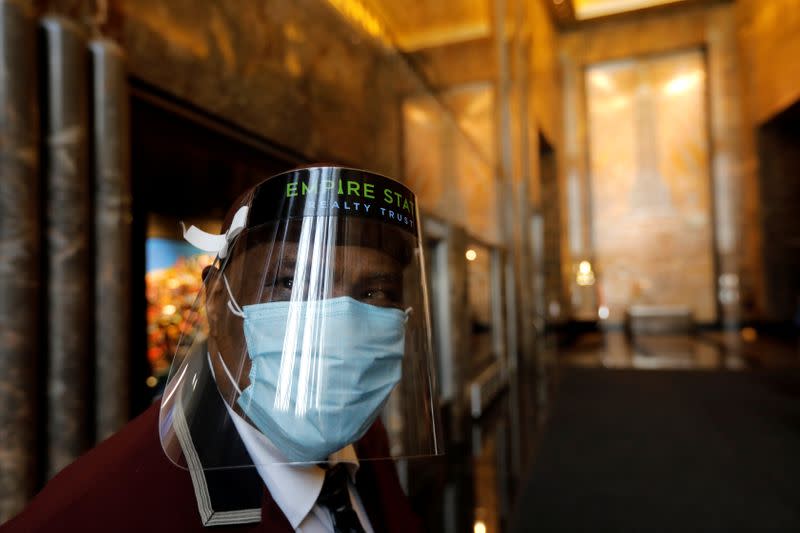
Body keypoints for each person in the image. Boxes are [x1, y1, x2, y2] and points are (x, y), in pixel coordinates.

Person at [2, 166, 442, 532]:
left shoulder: (362, 441)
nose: (340, 329)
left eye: (377, 291)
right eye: (289, 284)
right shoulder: (96, 512)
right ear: (216, 299)